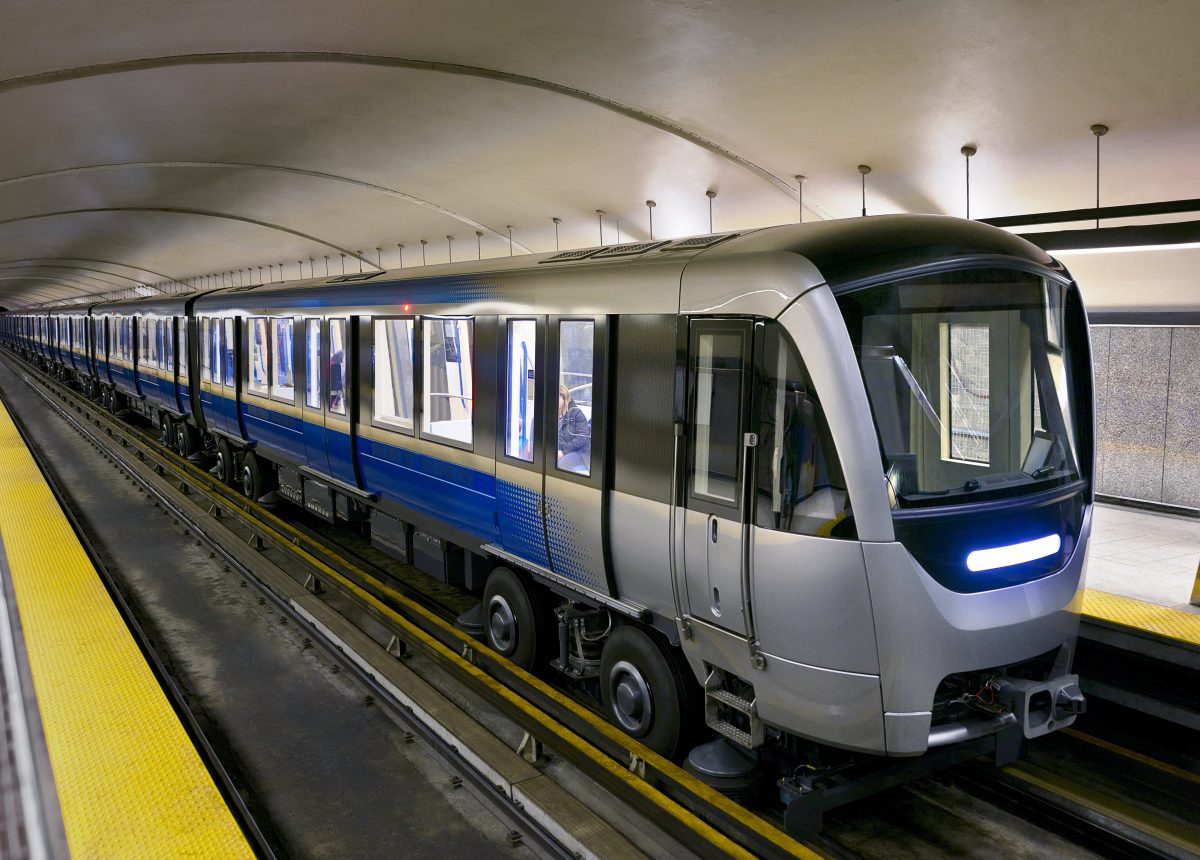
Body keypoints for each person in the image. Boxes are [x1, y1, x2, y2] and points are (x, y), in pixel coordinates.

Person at [557, 382, 591, 474]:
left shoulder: (576, 413)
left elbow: (582, 437)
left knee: (562, 464)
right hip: (562, 449)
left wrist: (564, 451)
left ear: (565, 399)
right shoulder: (552, 414)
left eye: (559, 397)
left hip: (580, 451)